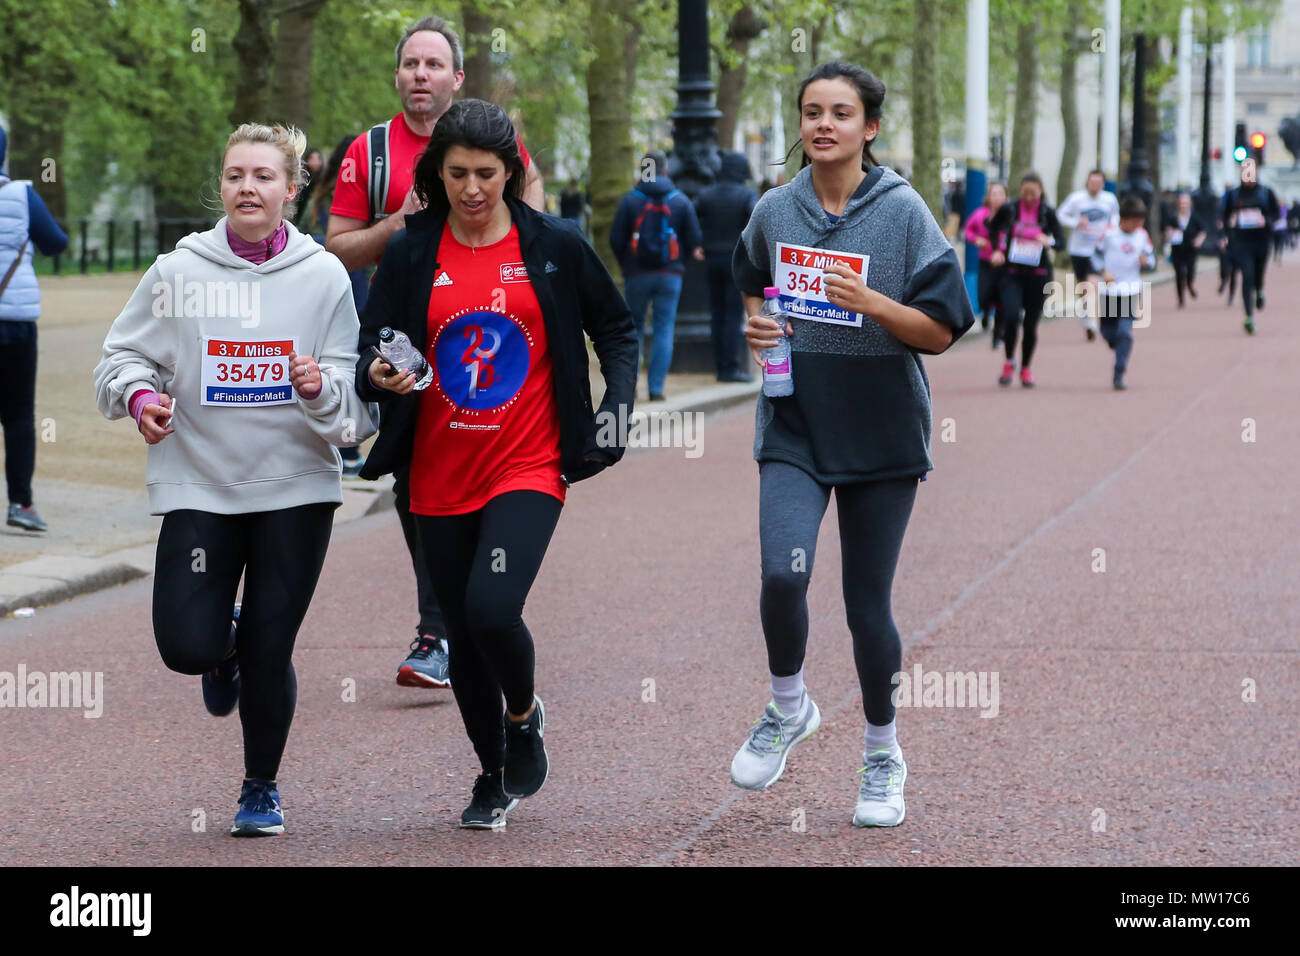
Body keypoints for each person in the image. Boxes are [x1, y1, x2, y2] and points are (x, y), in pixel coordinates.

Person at [355, 100, 637, 829]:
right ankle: (492, 773)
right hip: (434, 468)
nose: (472, 188)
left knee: (491, 609)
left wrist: (617, 408)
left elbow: (615, 327)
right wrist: (378, 373)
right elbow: (370, 346)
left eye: (486, 173)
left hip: (529, 462)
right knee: (461, 627)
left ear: (512, 171)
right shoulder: (414, 249)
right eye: (457, 174)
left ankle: (523, 712)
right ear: (437, 173)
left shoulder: (554, 245)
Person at [93, 123, 375, 836]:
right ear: (220, 187)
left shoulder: (323, 277)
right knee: (186, 646)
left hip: (295, 490)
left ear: (291, 188)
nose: (247, 187)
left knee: (270, 651)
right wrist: (140, 398)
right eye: (234, 175)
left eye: (262, 176)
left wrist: (317, 390)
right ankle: (224, 647)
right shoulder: (176, 272)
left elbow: (352, 416)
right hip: (201, 484)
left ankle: (260, 788)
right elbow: (120, 360)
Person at [731, 61, 974, 828]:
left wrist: (874, 303)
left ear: (869, 127)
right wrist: (756, 327)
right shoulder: (775, 209)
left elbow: (940, 330)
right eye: (811, 112)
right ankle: (788, 704)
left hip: (880, 432)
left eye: (840, 112)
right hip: (796, 423)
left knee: (867, 608)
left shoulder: (903, 214)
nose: (823, 124)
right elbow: (749, 277)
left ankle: (881, 754)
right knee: (781, 574)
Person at [327, 14, 546, 691]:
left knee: (491, 470)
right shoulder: (370, 153)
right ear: (398, 75)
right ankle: (438, 627)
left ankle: (472, 611)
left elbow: (534, 212)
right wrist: (400, 226)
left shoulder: (495, 138)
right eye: (410, 64)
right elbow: (336, 247)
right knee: (414, 478)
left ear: (456, 77)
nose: (420, 75)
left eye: (432, 65)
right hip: (404, 338)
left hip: (488, 335)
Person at [0, 124, 68, 533]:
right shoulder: (23, 195)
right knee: (19, 415)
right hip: (17, 323)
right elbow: (55, 242)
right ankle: (21, 503)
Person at [609, 151, 704, 401]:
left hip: (636, 274)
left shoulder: (630, 200)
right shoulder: (680, 200)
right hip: (670, 275)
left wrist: (627, 265)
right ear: (665, 169)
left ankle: (629, 386)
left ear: (643, 170)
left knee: (633, 330)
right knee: (664, 328)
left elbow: (616, 240)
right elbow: (694, 239)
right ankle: (656, 388)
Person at [306, 136, 372, 478]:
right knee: (349, 356)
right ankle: (347, 450)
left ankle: (344, 447)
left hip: (319, 281)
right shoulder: (348, 196)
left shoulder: (320, 195)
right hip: (348, 274)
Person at [986, 172, 1066, 387]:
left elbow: (1061, 241)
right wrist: (996, 250)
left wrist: (1048, 240)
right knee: (1011, 317)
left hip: (1038, 276)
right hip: (1012, 274)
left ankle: (1026, 368)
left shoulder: (1047, 212)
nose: (1029, 197)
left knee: (1031, 324)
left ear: (1040, 191)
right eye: (1025, 193)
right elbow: (992, 228)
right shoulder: (1010, 208)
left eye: (1033, 193)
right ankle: (1009, 361)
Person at [694, 149, 759, 382]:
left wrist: (699, 243)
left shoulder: (706, 194)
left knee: (717, 313)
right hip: (735, 261)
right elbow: (756, 223)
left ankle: (720, 365)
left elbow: (692, 219)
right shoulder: (747, 195)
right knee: (732, 315)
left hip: (711, 259)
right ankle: (731, 368)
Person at [1088, 196, 1153, 390]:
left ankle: (1119, 370)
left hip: (1130, 289)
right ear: (1124, 219)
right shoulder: (1109, 234)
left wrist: (1146, 262)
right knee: (1107, 331)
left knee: (1125, 332)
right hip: (1109, 290)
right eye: (1134, 221)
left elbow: (1151, 259)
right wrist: (1103, 271)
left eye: (1140, 221)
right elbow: (1095, 256)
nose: (1137, 225)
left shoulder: (1142, 236)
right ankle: (1118, 348)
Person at [1056, 169, 1119, 341]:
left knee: (1094, 283)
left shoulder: (1109, 199)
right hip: (1078, 249)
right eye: (1092, 182)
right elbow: (1060, 215)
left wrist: (1111, 228)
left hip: (1098, 250)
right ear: (1087, 183)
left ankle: (1092, 320)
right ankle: (1086, 316)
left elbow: (1115, 217)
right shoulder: (1077, 198)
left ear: (1103, 184)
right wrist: (1076, 222)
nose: (1094, 186)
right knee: (1083, 286)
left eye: (1098, 183)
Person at [1218, 158, 1279, 335]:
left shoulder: (1266, 193)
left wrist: (1265, 221)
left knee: (1258, 275)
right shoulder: (1233, 195)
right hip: (1242, 242)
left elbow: (1275, 215)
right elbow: (1224, 217)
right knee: (1247, 276)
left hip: (1261, 241)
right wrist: (1227, 231)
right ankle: (1248, 316)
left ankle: (1260, 291)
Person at [963, 180, 1007, 348]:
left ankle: (998, 336)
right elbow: (968, 230)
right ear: (988, 197)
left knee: (1003, 299)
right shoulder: (980, 214)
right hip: (986, 262)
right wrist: (976, 239)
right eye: (993, 194)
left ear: (1005, 197)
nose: (996, 198)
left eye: (1000, 194)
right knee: (984, 295)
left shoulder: (1009, 216)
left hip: (1004, 264)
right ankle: (986, 313)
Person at [1164, 191, 1205, 308]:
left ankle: (1190, 285)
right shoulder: (1173, 216)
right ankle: (1181, 298)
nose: (1183, 205)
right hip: (1177, 249)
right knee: (1179, 274)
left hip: (1190, 249)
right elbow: (1167, 231)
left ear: (1190, 204)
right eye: (1182, 202)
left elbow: (1202, 231)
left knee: (1190, 271)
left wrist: (1199, 240)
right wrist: (1169, 234)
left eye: (1186, 202)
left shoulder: (1195, 217)